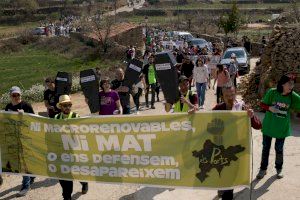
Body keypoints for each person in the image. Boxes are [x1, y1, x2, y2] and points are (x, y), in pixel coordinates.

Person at [213, 86, 262, 200]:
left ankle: (226, 192)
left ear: (236, 94)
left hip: (236, 150)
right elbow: (204, 122)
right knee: (222, 174)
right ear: (222, 97)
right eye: (227, 96)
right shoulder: (218, 108)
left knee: (231, 178)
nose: (230, 98)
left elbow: (258, 125)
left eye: (232, 95)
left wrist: (251, 116)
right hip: (221, 150)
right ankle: (223, 189)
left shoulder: (242, 107)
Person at [256, 74, 300, 180]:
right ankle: (263, 169)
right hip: (269, 126)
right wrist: (269, 108)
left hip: (282, 128)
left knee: (279, 149)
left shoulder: (292, 96)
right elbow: (262, 104)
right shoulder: (272, 92)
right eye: (289, 83)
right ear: (282, 84)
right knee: (266, 148)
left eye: (293, 84)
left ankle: (279, 169)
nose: (291, 86)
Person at [55, 95, 88, 200]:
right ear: (60, 106)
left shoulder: (76, 116)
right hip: (62, 153)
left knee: (78, 173)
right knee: (64, 177)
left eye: (69, 105)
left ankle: (84, 183)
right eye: (65, 105)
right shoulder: (56, 118)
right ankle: (66, 195)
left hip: (74, 152)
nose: (67, 107)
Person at [4, 86, 35, 197]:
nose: (16, 97)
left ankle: (25, 186)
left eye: (18, 95)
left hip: (25, 137)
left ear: (21, 95)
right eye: (14, 95)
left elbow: (34, 121)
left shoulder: (26, 105)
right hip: (13, 138)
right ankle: (31, 176)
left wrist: (24, 116)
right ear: (10, 96)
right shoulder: (7, 107)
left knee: (22, 161)